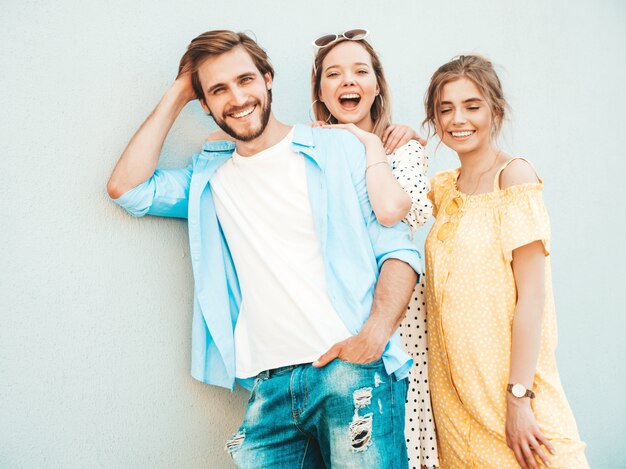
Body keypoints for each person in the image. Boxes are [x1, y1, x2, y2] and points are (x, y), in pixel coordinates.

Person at [107, 29, 422, 468]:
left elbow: (399, 252)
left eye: (245, 80)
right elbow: (128, 189)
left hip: (351, 374)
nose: (237, 98)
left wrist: (374, 336)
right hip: (268, 390)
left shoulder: (338, 148)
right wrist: (179, 92)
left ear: (268, 78)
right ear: (205, 104)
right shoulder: (208, 178)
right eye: (218, 89)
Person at [423, 54, 589, 468]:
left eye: (472, 105)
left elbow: (533, 298)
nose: (458, 119)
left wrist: (519, 399)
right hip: (456, 406)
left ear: (495, 110)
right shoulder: (442, 190)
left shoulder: (514, 178)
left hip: (512, 396)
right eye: (445, 109)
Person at [310, 30, 438, 469]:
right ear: (321, 91)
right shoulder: (308, 150)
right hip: (335, 318)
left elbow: (390, 212)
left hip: (394, 314)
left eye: (360, 71)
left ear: (376, 85)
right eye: (334, 74)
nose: (349, 81)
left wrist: (367, 142)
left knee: (397, 435)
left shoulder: (402, 150)